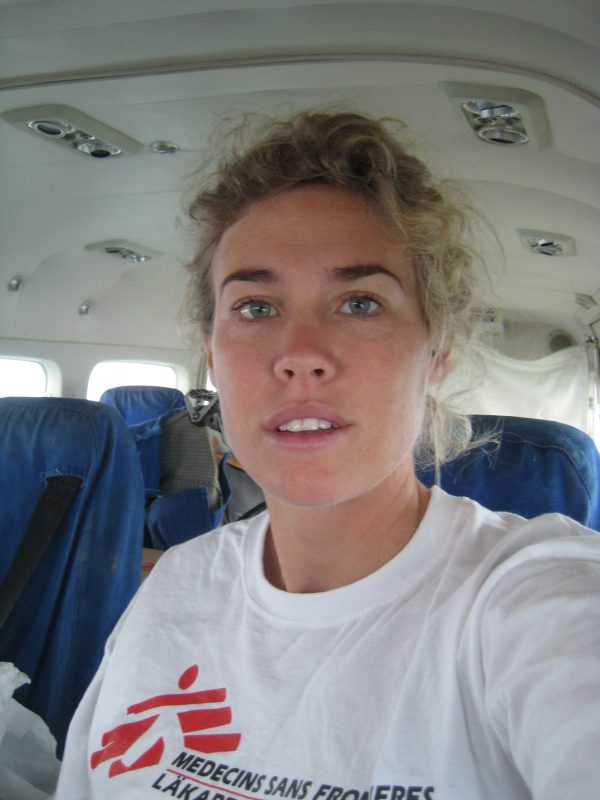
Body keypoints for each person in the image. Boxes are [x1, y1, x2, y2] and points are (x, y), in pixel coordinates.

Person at [56, 111, 600, 799]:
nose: (301, 355)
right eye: (256, 308)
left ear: (438, 350)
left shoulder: (531, 600)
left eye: (360, 303)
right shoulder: (176, 586)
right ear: (212, 352)